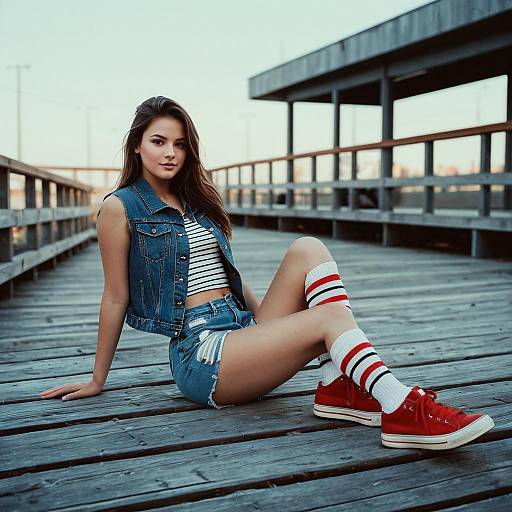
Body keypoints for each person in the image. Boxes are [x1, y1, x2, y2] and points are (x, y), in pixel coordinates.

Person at [40, 95, 494, 451]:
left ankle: (339, 385)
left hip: (240, 331)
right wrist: (98, 379)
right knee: (327, 318)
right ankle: (400, 408)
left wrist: (270, 327)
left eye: (180, 144)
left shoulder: (197, 204)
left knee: (307, 248)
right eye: (159, 141)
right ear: (137, 144)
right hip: (203, 356)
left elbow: (230, 281)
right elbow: (115, 296)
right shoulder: (120, 208)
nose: (171, 153)